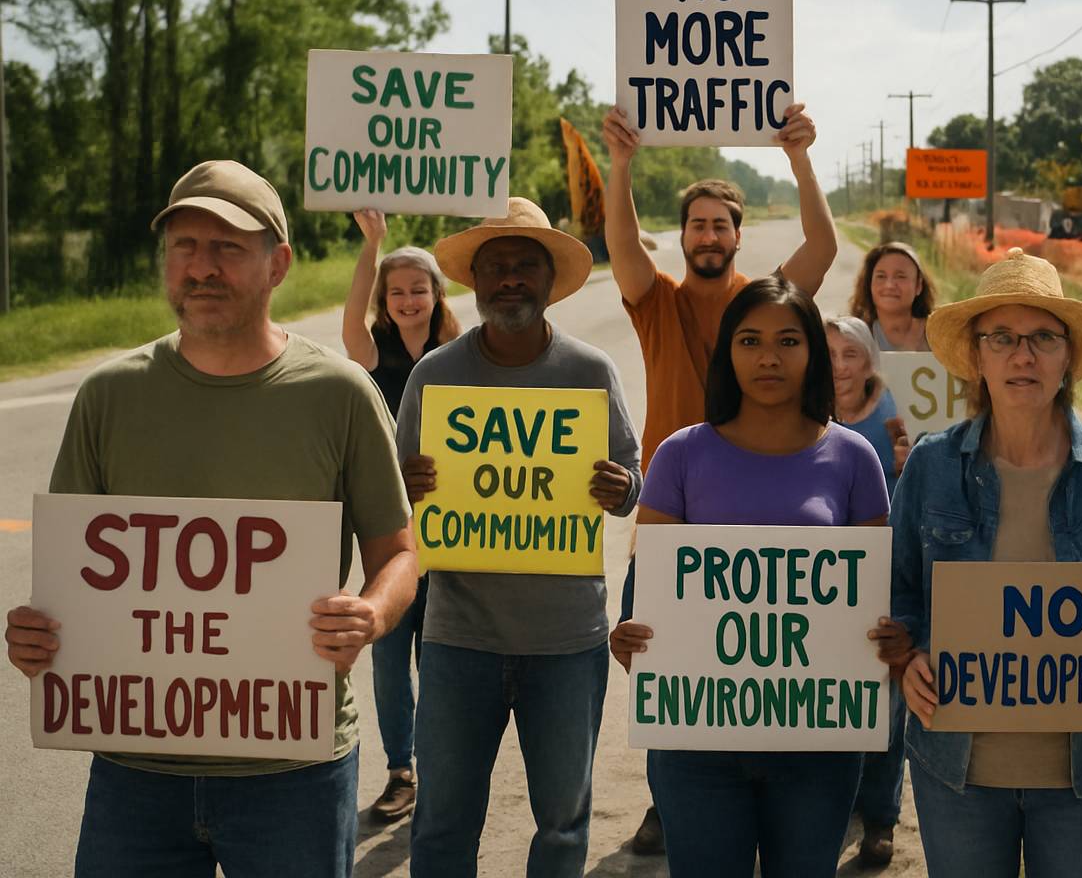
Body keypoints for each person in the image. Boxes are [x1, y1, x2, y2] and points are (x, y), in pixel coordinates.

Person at [4, 160, 419, 877]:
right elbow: (70, 578)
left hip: (295, 766)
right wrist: (39, 634)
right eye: (184, 247)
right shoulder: (108, 396)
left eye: (227, 247)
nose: (202, 268)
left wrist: (371, 616)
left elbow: (401, 553)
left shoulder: (340, 394)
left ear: (278, 263)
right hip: (135, 770)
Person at [891, 249, 1082, 878]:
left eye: (1043, 337)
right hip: (956, 765)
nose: (1023, 356)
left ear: (1068, 356)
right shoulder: (931, 467)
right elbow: (897, 591)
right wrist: (909, 653)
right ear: (978, 355)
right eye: (1003, 337)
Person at [608, 276, 907, 878]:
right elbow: (651, 588)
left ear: (812, 354)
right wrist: (631, 637)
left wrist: (893, 639)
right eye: (749, 340)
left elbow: (876, 594)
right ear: (728, 354)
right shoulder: (680, 454)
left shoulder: (855, 459)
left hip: (820, 748)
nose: (768, 356)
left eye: (788, 341)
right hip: (696, 746)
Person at [601, 100, 838, 852]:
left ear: (738, 234)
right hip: (673, 515)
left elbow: (824, 248)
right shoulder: (657, 303)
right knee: (670, 665)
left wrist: (798, 157)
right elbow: (618, 245)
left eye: (720, 224)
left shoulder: (762, 304)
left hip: (761, 508)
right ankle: (671, 799)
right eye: (696, 224)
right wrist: (621, 163)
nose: (708, 235)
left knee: (763, 656)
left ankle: (775, 792)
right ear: (682, 236)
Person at [394, 197, 642, 878]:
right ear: (474, 283)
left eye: (524, 266)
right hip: (457, 637)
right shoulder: (434, 375)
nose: (509, 279)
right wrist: (406, 486)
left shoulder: (591, 372)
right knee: (443, 821)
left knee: (563, 823)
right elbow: (389, 498)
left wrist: (623, 489)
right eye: (495, 267)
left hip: (568, 643)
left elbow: (634, 478)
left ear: (547, 279)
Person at [341, 209, 462, 824]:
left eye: (419, 288)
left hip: (453, 531)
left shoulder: (462, 352)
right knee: (388, 656)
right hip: (390, 530)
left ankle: (442, 771)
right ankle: (402, 770)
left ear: (437, 295)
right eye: (397, 291)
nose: (408, 298)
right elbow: (350, 320)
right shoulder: (373, 351)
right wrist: (373, 246)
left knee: (440, 655)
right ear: (385, 303)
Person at [825, 314, 908, 866]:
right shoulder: (803, 413)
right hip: (824, 584)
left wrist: (906, 463)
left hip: (882, 572)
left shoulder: (891, 413)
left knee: (885, 701)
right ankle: (834, 810)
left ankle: (879, 818)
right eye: (828, 354)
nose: (839, 367)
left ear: (868, 361)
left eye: (849, 354)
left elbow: (908, 497)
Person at [849, 241, 936, 352]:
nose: (889, 285)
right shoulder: (853, 338)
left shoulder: (940, 336)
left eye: (900, 276)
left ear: (918, 286)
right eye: (881, 276)